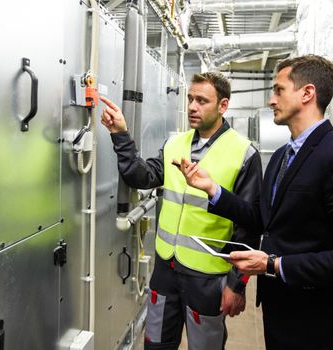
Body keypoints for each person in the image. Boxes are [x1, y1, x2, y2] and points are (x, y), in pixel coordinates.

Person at [178, 55, 333, 350]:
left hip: (316, 323)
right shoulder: (280, 157)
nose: (270, 100)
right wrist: (213, 190)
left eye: (278, 90)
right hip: (279, 313)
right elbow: (262, 220)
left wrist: (274, 264)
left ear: (307, 93)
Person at [99, 72, 262, 349]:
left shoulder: (244, 153)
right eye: (190, 99)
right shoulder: (176, 143)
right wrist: (120, 135)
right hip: (165, 268)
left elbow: (250, 224)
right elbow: (143, 177)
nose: (192, 107)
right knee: (156, 343)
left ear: (223, 106)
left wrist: (237, 285)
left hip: (207, 276)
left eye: (202, 100)